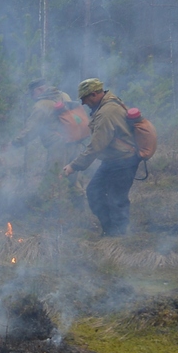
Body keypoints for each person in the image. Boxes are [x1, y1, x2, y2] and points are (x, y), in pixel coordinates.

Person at [62, 78, 142, 236]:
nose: (84, 104)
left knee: (116, 199)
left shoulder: (107, 112)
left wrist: (73, 166)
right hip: (112, 161)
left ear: (94, 94)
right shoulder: (107, 105)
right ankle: (110, 230)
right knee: (94, 192)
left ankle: (119, 237)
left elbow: (96, 146)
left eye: (85, 99)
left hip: (123, 160)